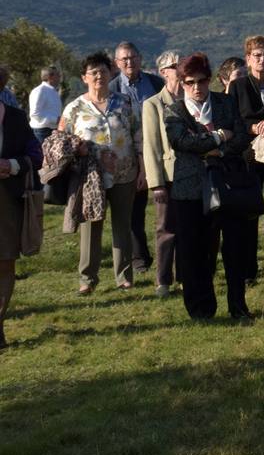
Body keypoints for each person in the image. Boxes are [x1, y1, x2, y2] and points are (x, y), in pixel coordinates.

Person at [162, 53, 254, 320]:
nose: (197, 87)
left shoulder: (225, 102)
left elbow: (238, 138)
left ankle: (238, 305)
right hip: (189, 190)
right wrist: (216, 136)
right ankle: (201, 309)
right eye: (190, 82)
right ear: (182, 83)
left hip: (227, 184)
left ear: (210, 79)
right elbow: (181, 142)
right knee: (194, 251)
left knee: (235, 248)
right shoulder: (174, 111)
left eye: (202, 81)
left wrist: (219, 151)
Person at [61, 52, 142, 294]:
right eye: (93, 72)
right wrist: (78, 149)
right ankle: (87, 279)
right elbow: (61, 142)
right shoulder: (74, 108)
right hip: (90, 178)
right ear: (84, 77)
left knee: (122, 225)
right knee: (90, 228)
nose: (99, 76)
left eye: (103, 71)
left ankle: (124, 277)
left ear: (111, 74)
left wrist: (143, 170)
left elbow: (138, 136)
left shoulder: (124, 102)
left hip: (124, 173)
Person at [229, 36, 264, 285]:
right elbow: (234, 119)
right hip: (249, 156)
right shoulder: (238, 86)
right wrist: (253, 128)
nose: (262, 60)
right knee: (250, 213)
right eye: (257, 55)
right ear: (248, 58)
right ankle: (248, 271)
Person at [109, 42, 161, 276]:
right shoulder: (112, 88)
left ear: (141, 58)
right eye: (124, 59)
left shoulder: (155, 83)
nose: (129, 63)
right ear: (117, 63)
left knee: (166, 206)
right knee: (134, 210)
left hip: (159, 149)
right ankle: (140, 258)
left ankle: (171, 255)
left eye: (133, 57)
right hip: (129, 155)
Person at [0, 96, 42, 349]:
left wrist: (12, 165)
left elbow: (35, 154)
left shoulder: (16, 117)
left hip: (8, 202)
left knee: (5, 264)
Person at [141, 50, 183, 298]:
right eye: (174, 65)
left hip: (191, 174)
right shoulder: (153, 104)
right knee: (166, 229)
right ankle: (163, 280)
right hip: (167, 175)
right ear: (163, 72)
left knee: (188, 228)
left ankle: (186, 275)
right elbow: (151, 146)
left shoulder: (191, 99)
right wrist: (156, 183)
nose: (180, 68)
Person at [28, 66, 63, 144]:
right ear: (50, 77)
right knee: (42, 156)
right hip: (41, 132)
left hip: (52, 130)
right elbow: (35, 114)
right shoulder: (39, 91)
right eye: (58, 75)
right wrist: (55, 119)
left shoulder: (53, 91)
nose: (59, 78)